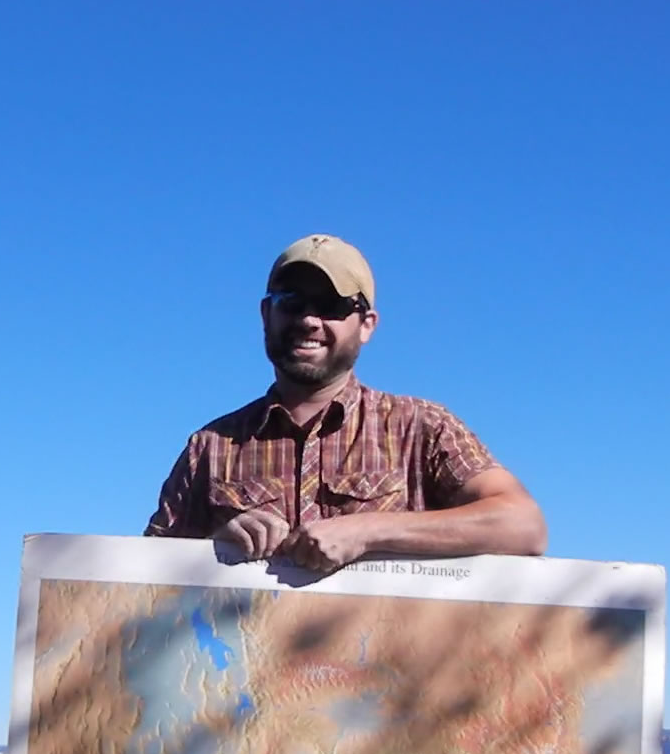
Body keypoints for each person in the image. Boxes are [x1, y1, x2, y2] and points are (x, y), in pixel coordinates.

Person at [144, 233, 546, 571]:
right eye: (292, 301)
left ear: (366, 325)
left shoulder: (423, 428)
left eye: (332, 306)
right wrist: (216, 547)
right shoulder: (211, 446)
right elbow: (147, 572)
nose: (308, 320)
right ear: (267, 314)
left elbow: (523, 525)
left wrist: (368, 531)